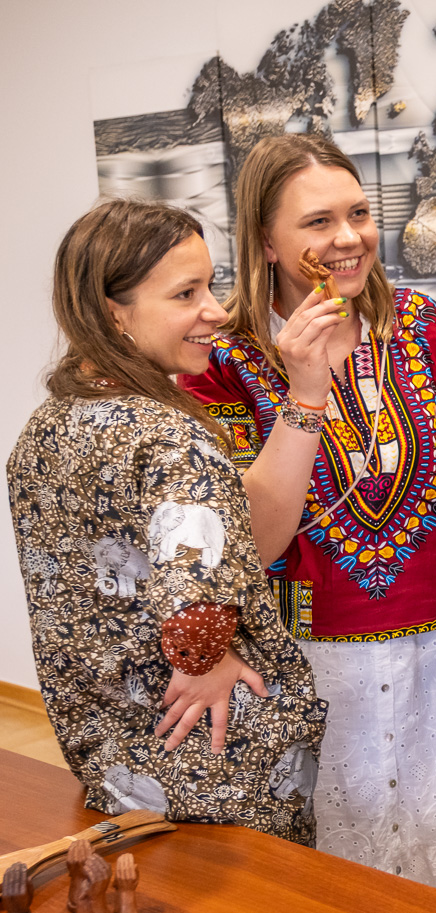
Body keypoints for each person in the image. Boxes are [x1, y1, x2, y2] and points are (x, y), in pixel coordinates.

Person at [181, 134, 436, 906]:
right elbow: (252, 543)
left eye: (359, 214)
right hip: (304, 670)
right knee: (331, 881)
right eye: (318, 222)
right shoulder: (223, 361)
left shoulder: (427, 327)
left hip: (432, 657)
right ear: (267, 241)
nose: (348, 238)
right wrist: (304, 392)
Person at [7, 199, 326, 843]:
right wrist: (203, 654)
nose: (216, 310)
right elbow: (196, 590)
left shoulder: (46, 426)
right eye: (186, 293)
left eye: (210, 285)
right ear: (113, 314)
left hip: (112, 753)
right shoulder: (171, 438)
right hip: (213, 761)